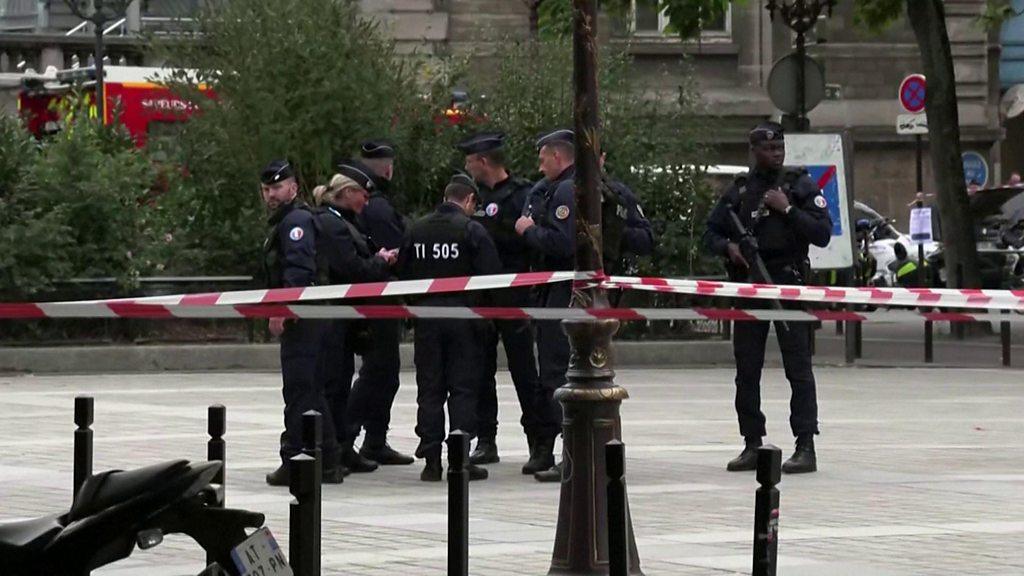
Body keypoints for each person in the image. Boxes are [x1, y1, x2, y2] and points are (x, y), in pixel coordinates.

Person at [702, 122, 832, 475]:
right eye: (769, 149)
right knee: (747, 369)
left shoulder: (799, 186)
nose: (776, 154)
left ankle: (805, 444)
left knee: (799, 368)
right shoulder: (741, 192)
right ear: (754, 151)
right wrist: (729, 248)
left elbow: (822, 233)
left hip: (789, 284)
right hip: (749, 286)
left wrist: (788, 209)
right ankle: (751, 442)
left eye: (780, 148)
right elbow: (709, 233)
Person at [397, 173, 501, 482]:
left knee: (430, 389)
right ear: (468, 200)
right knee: (463, 389)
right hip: (464, 320)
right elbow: (491, 278)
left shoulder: (416, 230)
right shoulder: (472, 230)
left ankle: (431, 460)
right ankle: (460, 459)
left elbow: (403, 273)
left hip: (426, 319)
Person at [457, 131, 542, 467]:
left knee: (524, 371)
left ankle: (538, 440)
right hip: (482, 296)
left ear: (483, 161)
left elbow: (526, 239)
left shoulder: (522, 194)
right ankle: (486, 439)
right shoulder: (471, 196)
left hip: (514, 294)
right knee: (480, 371)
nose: (466, 166)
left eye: (469, 160)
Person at [259, 159, 344, 486]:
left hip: (304, 318)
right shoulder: (289, 219)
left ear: (293, 188)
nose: (271, 195)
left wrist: (282, 308)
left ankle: (298, 460)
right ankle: (326, 461)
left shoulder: (295, 221)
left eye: (277, 188)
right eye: (267, 189)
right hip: (312, 315)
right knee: (312, 391)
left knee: (299, 390)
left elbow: (298, 271)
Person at [312, 163, 398, 474]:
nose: (366, 200)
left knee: (342, 382)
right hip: (334, 318)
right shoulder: (333, 225)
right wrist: (381, 262)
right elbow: (353, 271)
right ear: (347, 193)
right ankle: (334, 449)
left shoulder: (346, 221)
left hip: (346, 320)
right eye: (363, 194)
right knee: (334, 384)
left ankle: (342, 448)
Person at [344, 141, 414, 466]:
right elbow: (397, 254)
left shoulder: (366, 204)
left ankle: (373, 440)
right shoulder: (380, 207)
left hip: (369, 301)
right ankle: (349, 436)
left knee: (383, 373)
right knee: (379, 372)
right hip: (380, 301)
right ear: (387, 168)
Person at [515, 129, 577, 482]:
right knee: (548, 376)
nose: (539, 167)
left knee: (557, 374)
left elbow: (562, 244)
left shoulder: (568, 190)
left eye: (542, 158)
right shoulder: (547, 190)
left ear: (558, 157)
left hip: (564, 291)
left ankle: (568, 452)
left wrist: (528, 231)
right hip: (548, 292)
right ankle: (544, 447)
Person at [598, 151, 655, 276]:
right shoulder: (558, 191)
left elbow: (646, 239)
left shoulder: (618, 194)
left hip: (609, 276)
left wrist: (616, 232)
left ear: (602, 158)